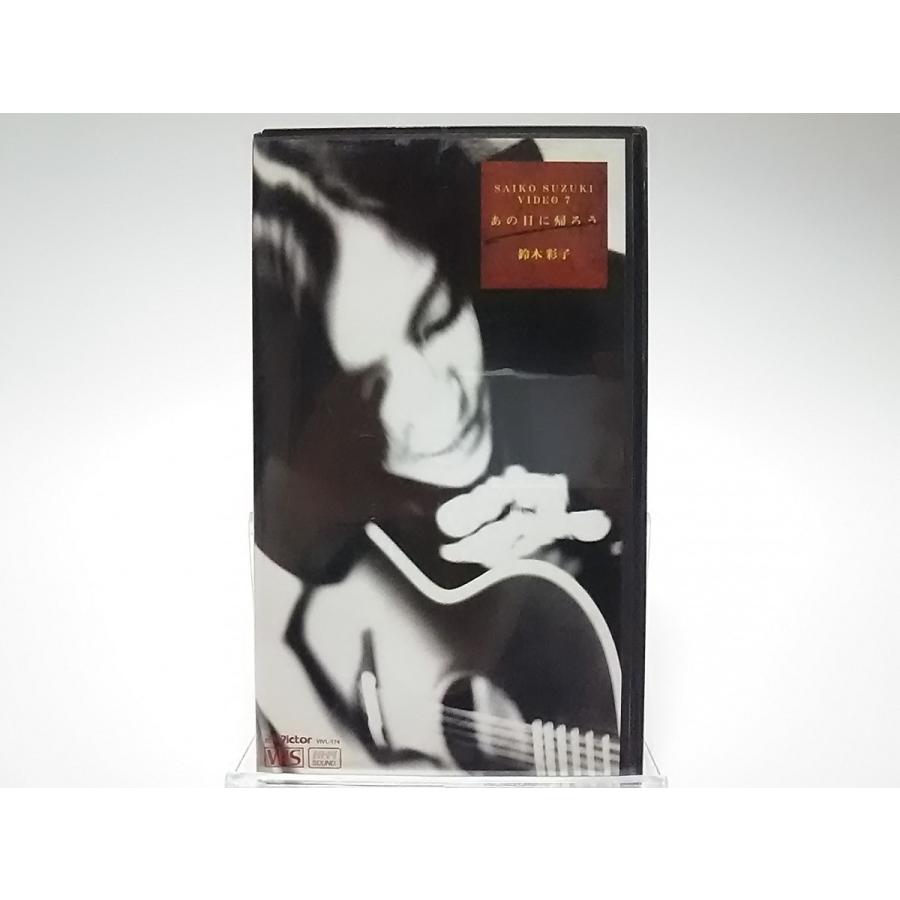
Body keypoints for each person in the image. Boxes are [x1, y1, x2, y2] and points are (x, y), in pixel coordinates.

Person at [251, 136, 626, 770]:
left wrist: (608, 527)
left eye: (435, 317)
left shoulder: (581, 351)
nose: (439, 401)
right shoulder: (312, 524)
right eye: (373, 384)